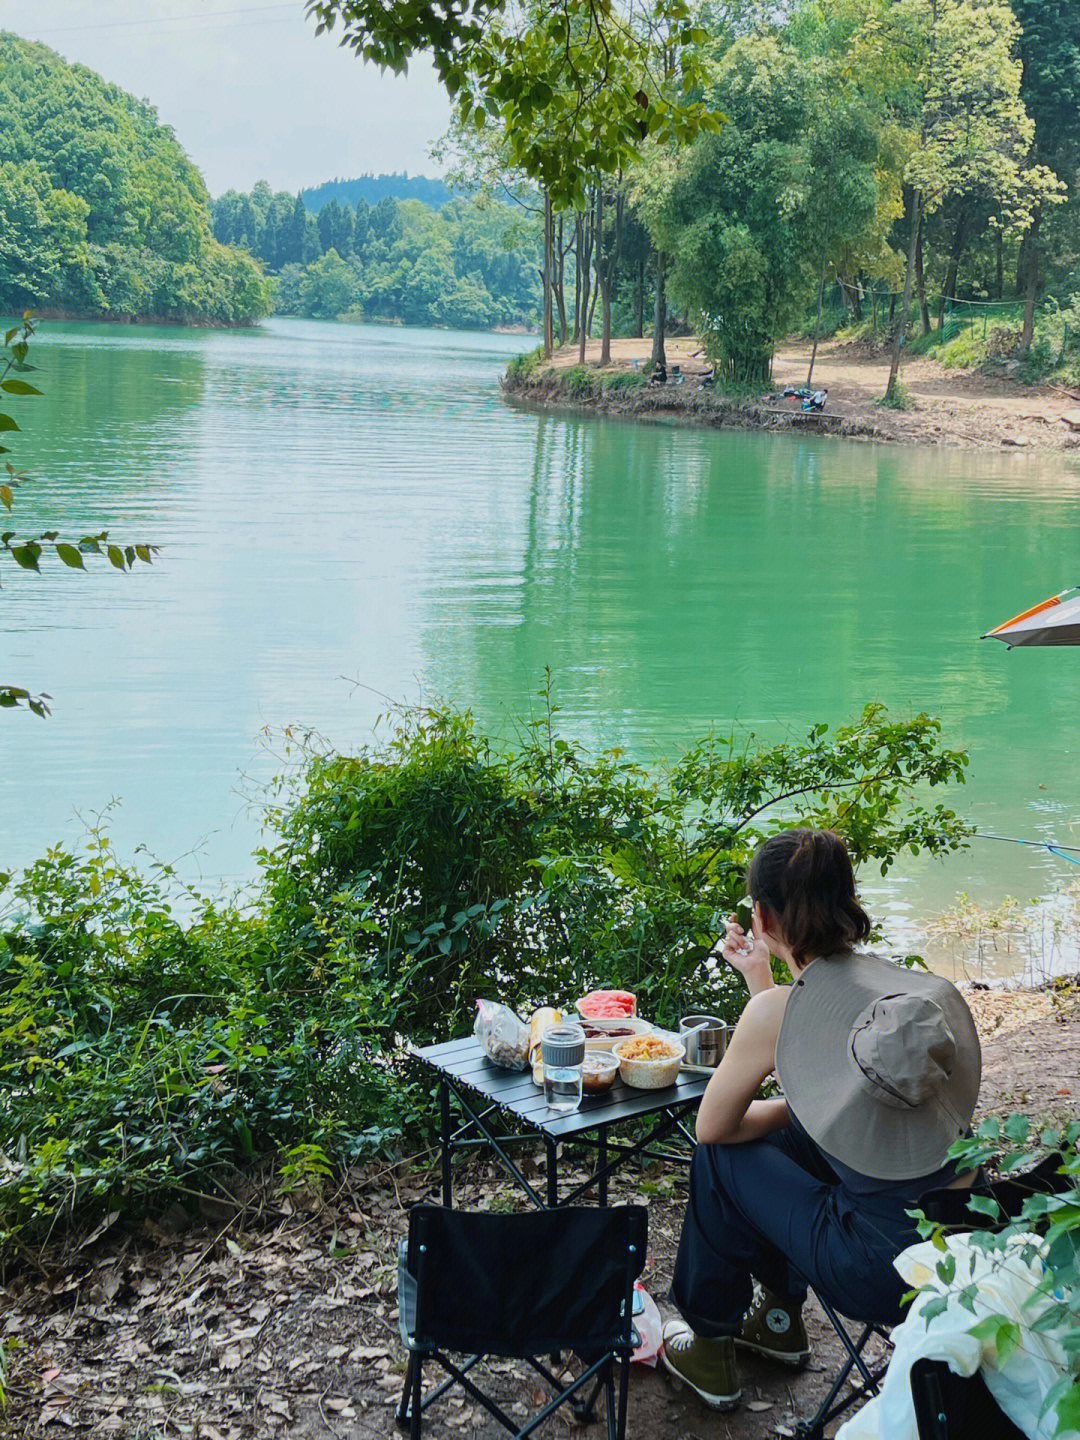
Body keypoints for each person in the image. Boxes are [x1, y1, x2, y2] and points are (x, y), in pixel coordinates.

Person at [660, 828, 981, 1412]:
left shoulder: (774, 1012)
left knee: (720, 1155)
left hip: (882, 1266)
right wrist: (763, 983)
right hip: (964, 1236)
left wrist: (765, 1004)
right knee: (785, 1134)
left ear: (761, 915)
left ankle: (709, 1341)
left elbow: (714, 1127)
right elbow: (830, 1058)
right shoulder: (908, 996)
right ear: (846, 900)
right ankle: (779, 1319)